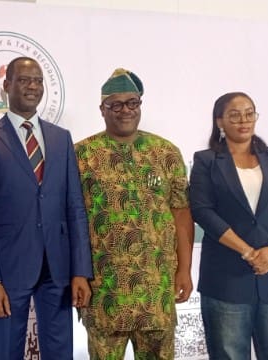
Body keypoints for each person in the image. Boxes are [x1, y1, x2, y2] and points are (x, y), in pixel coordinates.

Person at [0, 56, 93, 360]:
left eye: (38, 80)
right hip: (9, 270)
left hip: (58, 268)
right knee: (8, 352)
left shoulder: (61, 138)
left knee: (60, 352)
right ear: (7, 85)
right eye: (24, 80)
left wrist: (80, 271)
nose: (32, 86)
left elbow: (74, 207)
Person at [74, 68, 194, 359]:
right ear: (102, 109)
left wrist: (185, 270)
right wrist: (77, 274)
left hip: (157, 287)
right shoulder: (81, 155)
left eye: (132, 103)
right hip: (104, 289)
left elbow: (180, 214)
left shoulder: (166, 153)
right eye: (115, 104)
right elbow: (71, 220)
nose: (125, 110)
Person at [189, 92, 268, 359]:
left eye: (249, 113)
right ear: (220, 121)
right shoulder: (206, 161)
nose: (244, 120)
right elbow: (203, 212)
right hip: (226, 279)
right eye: (235, 114)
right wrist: (248, 252)